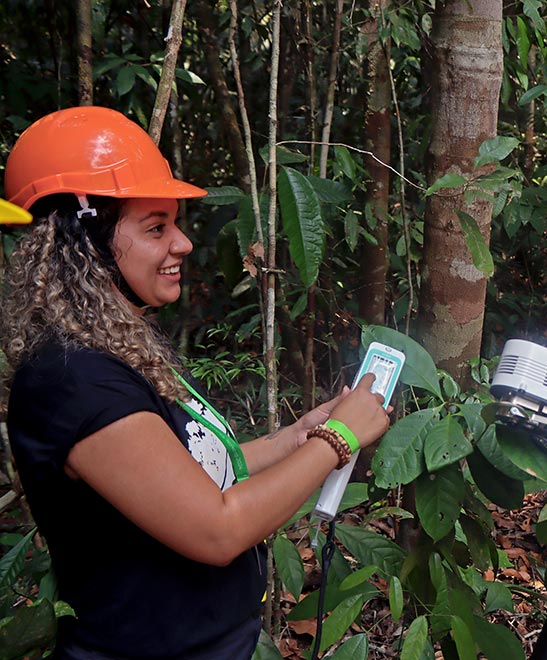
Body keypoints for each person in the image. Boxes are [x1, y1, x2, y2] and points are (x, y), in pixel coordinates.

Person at [0, 106, 391, 659]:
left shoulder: (113, 348)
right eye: (156, 227)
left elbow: (191, 472)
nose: (182, 244)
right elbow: (217, 529)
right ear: (83, 244)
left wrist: (299, 436)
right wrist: (338, 442)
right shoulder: (71, 379)